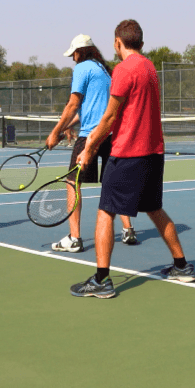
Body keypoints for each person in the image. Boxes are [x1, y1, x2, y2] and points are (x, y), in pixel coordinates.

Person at [71, 20, 195, 299]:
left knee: (105, 212)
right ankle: (181, 266)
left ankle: (102, 281)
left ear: (118, 42)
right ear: (140, 41)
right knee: (154, 209)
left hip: (128, 153)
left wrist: (89, 148)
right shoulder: (150, 67)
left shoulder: (124, 70)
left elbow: (111, 117)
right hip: (154, 153)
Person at [45, 34, 136, 254]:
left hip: (90, 137)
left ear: (81, 52)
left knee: (72, 183)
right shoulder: (105, 71)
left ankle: (75, 238)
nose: (73, 58)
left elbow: (73, 103)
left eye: (74, 54)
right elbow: (96, 108)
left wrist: (55, 132)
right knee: (111, 183)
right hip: (110, 134)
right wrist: (71, 124)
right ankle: (128, 229)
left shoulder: (82, 68)